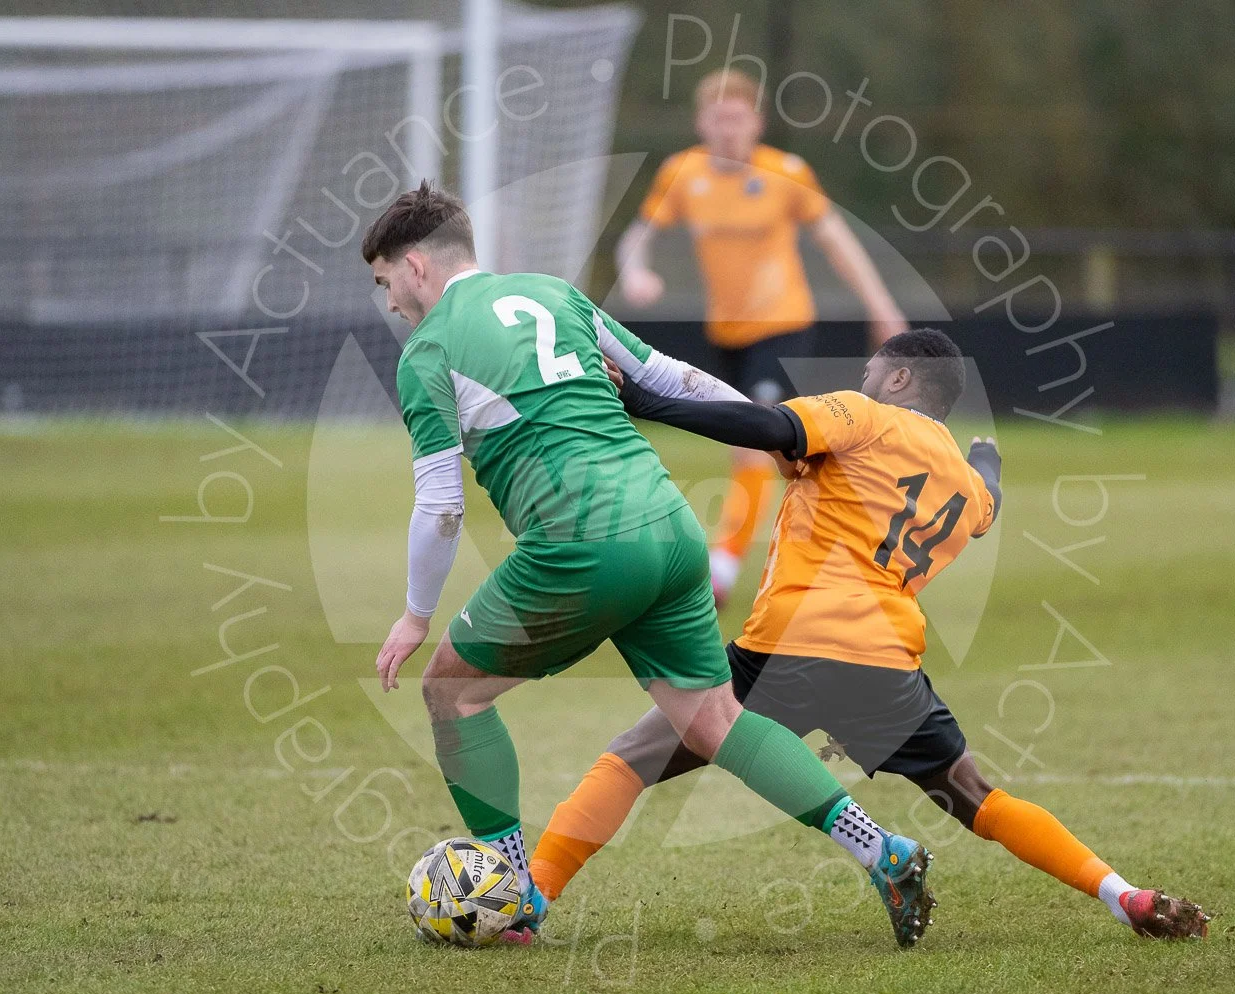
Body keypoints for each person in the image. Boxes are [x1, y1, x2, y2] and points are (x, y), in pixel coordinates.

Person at [366, 181, 936, 949]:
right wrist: (775, 436)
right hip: (670, 530)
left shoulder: (428, 352)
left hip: (580, 541)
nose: (391, 304)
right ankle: (883, 850)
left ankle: (515, 899)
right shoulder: (552, 294)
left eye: (385, 285)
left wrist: (415, 614)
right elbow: (673, 378)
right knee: (712, 720)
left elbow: (440, 505)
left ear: (416, 267)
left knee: (452, 694)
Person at [527, 329, 1211, 941]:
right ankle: (1123, 895)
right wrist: (987, 458)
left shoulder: (865, 418)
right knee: (977, 795)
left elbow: (764, 423)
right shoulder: (963, 483)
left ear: (901, 380)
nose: (859, 383)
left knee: (632, 757)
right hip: (886, 662)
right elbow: (989, 503)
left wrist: (645, 403)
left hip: (790, 642)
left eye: (869, 373)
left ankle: (530, 899)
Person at [618, 68, 908, 605]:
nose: (728, 128)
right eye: (717, 118)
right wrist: (635, 270)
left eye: (738, 117)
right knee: (768, 453)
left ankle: (722, 571)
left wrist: (881, 306)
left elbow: (836, 240)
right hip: (724, 332)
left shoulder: (787, 172)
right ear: (701, 122)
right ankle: (850, 523)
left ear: (757, 121)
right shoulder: (682, 173)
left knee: (753, 444)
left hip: (783, 326)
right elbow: (637, 235)